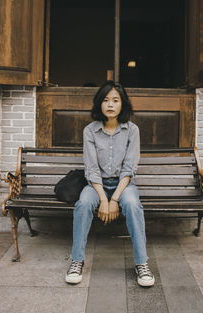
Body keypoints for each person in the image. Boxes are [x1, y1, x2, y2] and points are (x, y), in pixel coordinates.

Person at [65, 80, 155, 287]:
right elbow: (91, 169)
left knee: (132, 205)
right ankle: (76, 260)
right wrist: (103, 199)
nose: (111, 105)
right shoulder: (90, 131)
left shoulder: (132, 130)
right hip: (96, 185)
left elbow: (129, 168)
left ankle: (142, 264)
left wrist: (113, 199)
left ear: (123, 104)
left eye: (115, 100)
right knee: (84, 205)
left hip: (123, 185)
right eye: (105, 100)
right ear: (99, 104)